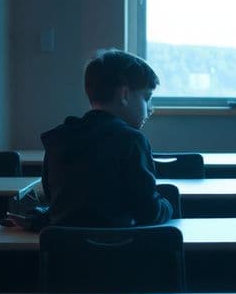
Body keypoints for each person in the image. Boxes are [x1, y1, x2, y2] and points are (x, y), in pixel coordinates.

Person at [40, 48, 173, 227]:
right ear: (124, 95)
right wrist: (169, 205)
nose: (150, 108)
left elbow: (52, 200)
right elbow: (148, 212)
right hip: (122, 251)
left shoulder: (58, 137)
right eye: (146, 97)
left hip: (67, 251)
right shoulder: (132, 141)